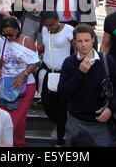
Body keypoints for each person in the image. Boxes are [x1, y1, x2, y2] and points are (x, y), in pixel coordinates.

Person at [58, 24, 116, 147]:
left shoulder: (107, 60)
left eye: (87, 40)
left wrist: (111, 108)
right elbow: (62, 93)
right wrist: (80, 73)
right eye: (80, 41)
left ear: (93, 40)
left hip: (102, 124)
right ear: (75, 42)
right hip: (76, 122)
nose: (83, 44)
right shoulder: (69, 63)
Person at [0, 16, 40, 147]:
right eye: (5, 34)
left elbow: (35, 61)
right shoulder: (1, 41)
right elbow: (0, 58)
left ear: (17, 30)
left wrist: (23, 74)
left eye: (11, 34)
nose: (8, 37)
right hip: (5, 84)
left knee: (16, 121)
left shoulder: (27, 41)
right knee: (3, 120)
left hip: (24, 85)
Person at [37, 11, 74, 146]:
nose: (49, 28)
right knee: (47, 104)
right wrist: (30, 53)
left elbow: (76, 51)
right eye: (47, 26)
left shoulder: (69, 30)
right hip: (47, 72)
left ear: (58, 19)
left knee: (61, 106)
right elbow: (44, 47)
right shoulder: (45, 30)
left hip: (63, 74)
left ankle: (60, 136)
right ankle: (59, 124)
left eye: (52, 25)